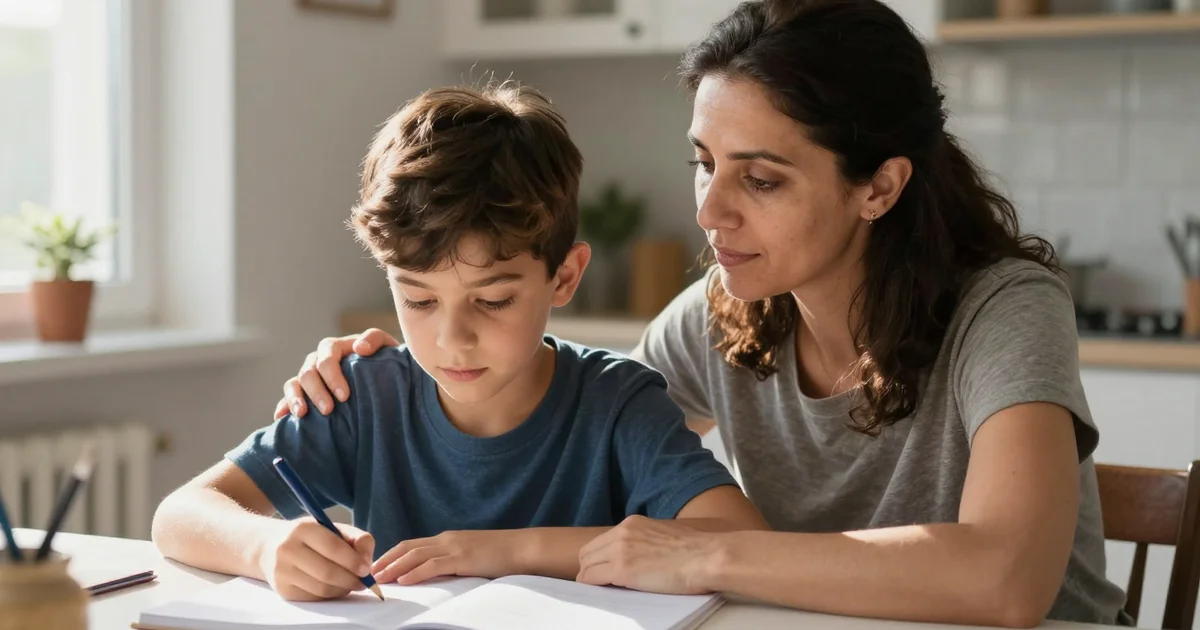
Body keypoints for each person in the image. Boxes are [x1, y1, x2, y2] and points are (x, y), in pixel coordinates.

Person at [279, 0, 1136, 626]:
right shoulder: (719, 316)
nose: (710, 211)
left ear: (879, 185)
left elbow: (1005, 581)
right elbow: (566, 408)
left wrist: (704, 552)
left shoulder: (1004, 308)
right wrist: (415, 358)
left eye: (760, 179)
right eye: (704, 163)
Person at [152, 83, 765, 603]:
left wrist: (502, 551)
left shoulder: (617, 403)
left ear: (565, 276)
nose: (452, 339)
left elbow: (737, 539)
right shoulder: (365, 395)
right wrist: (266, 546)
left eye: (493, 300)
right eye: (418, 300)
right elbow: (181, 514)